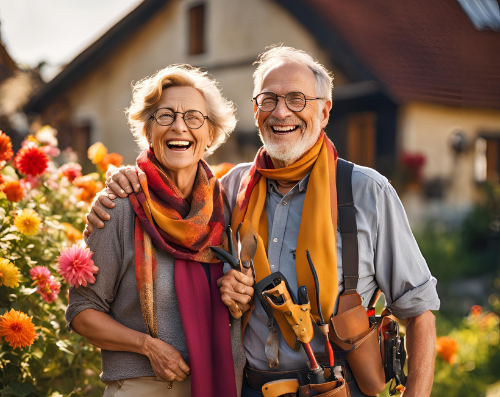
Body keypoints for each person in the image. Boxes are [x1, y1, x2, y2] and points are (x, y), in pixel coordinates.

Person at [86, 46, 440, 397]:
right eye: (268, 100)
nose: (281, 112)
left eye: (297, 99)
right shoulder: (230, 188)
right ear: (255, 111)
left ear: (325, 110)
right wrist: (121, 183)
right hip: (252, 388)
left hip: (336, 387)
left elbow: (418, 310)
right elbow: (171, 184)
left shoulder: (367, 191)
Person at [66, 64, 253, 397]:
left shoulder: (227, 208)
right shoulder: (121, 207)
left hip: (221, 383)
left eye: (194, 117)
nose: (179, 126)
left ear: (210, 134)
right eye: (165, 116)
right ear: (148, 131)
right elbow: (82, 312)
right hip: (145, 388)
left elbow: (240, 299)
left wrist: (239, 295)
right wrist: (146, 345)